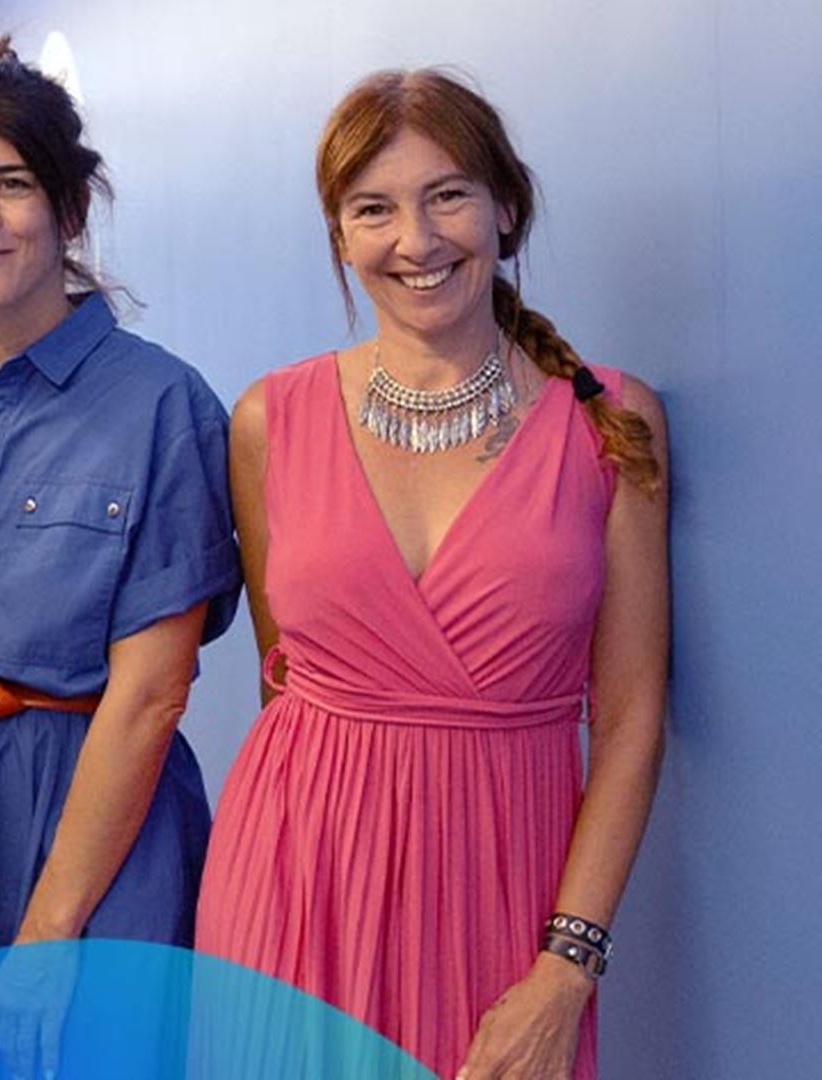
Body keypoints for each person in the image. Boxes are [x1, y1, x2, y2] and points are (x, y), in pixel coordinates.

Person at [195, 69, 669, 1080]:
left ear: (506, 208)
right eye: (374, 209)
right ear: (340, 236)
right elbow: (287, 679)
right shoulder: (270, 420)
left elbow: (631, 719)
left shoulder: (610, 422)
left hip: (505, 897)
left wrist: (567, 969)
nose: (415, 239)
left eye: (447, 195)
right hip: (292, 891)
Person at [0, 38, 240, 1070]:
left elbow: (152, 693)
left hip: (94, 830)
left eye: (13, 183)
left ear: (69, 209)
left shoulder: (161, 403)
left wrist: (50, 928)